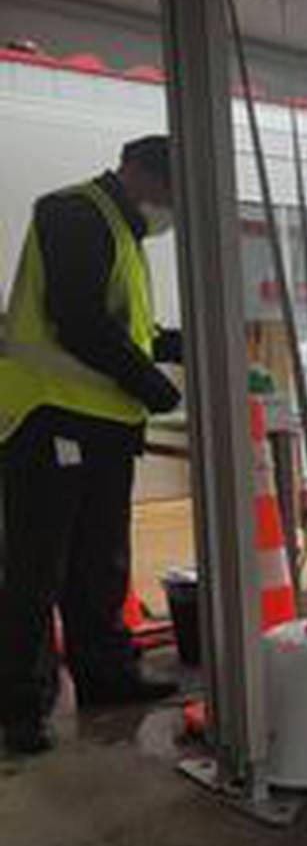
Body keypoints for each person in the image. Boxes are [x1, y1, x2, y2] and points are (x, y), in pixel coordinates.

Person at [0, 135, 183, 756]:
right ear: (136, 172)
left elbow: (131, 330)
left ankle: (106, 674)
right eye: (169, 192)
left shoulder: (126, 235)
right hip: (50, 417)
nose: (171, 210)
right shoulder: (72, 211)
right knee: (37, 567)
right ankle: (22, 708)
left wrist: (184, 344)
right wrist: (153, 385)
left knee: (100, 560)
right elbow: (77, 318)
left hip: (102, 424)